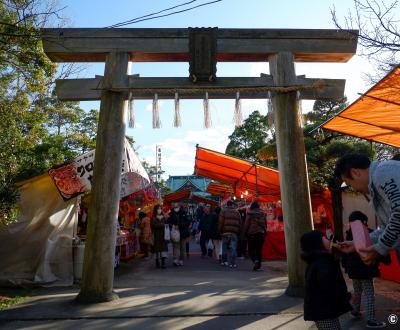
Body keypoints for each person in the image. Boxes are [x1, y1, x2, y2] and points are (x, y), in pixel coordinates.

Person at [334, 153, 400, 264]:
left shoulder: (382, 172)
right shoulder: (377, 185)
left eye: (350, 184)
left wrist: (380, 248)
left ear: (355, 172)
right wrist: (358, 243)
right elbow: (387, 228)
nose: (353, 188)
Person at [341, 211, 387, 329]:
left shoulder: (349, 234)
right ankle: (371, 320)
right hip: (365, 270)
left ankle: (355, 311)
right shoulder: (369, 233)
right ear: (364, 222)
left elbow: (345, 255)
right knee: (369, 294)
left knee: (357, 291)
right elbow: (378, 249)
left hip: (354, 271)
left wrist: (347, 268)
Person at [301, 230, 352, 330]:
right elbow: (330, 287)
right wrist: (347, 297)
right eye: (324, 237)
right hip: (324, 311)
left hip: (323, 310)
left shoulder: (317, 261)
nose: (329, 240)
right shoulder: (323, 263)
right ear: (318, 242)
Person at [243, 201, 266, 271]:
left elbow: (246, 224)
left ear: (252, 206)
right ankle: (258, 265)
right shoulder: (262, 213)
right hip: (260, 233)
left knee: (251, 250)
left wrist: (244, 232)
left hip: (252, 233)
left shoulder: (249, 213)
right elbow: (265, 223)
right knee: (259, 249)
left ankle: (255, 261)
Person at [219, 200, 242, 268]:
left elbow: (220, 222)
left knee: (224, 247)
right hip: (234, 233)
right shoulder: (237, 212)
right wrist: (239, 231)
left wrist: (220, 231)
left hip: (225, 232)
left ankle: (224, 261)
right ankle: (233, 263)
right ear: (232, 205)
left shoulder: (223, 211)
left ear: (227, 205)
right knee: (233, 248)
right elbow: (240, 223)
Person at [150, 204, 168, 269]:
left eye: (160, 209)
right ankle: (157, 262)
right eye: (158, 209)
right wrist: (161, 225)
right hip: (156, 236)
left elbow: (166, 224)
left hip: (163, 236)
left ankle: (163, 263)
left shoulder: (164, 217)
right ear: (155, 210)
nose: (159, 210)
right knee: (156, 251)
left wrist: (163, 224)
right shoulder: (153, 218)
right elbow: (153, 226)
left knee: (163, 250)